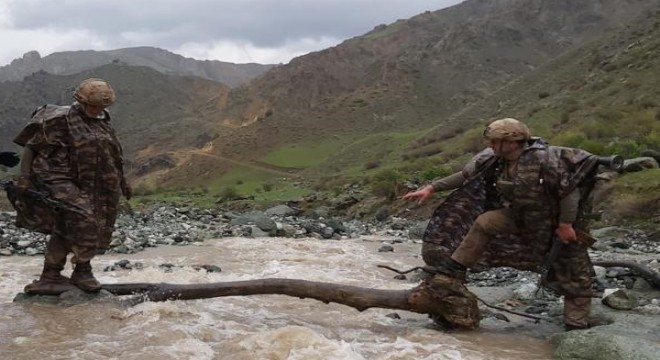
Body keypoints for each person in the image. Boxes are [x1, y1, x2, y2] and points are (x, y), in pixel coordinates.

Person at [403, 118, 605, 331]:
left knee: (574, 270)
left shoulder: (544, 160)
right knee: (486, 221)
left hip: (556, 222)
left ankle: (576, 325)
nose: (490, 145)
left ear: (512, 141)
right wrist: (432, 188)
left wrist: (566, 224)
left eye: (495, 141)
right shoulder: (494, 160)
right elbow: (464, 176)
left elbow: (568, 192)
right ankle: (457, 264)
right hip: (521, 217)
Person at [13, 78, 131, 293]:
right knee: (85, 217)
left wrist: (123, 182)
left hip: (94, 183)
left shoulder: (103, 123)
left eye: (102, 107)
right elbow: (32, 147)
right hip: (56, 177)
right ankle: (83, 270)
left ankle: (50, 274)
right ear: (82, 101)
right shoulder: (60, 119)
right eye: (94, 106)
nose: (98, 110)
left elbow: (114, 156)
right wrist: (24, 177)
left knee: (65, 225)